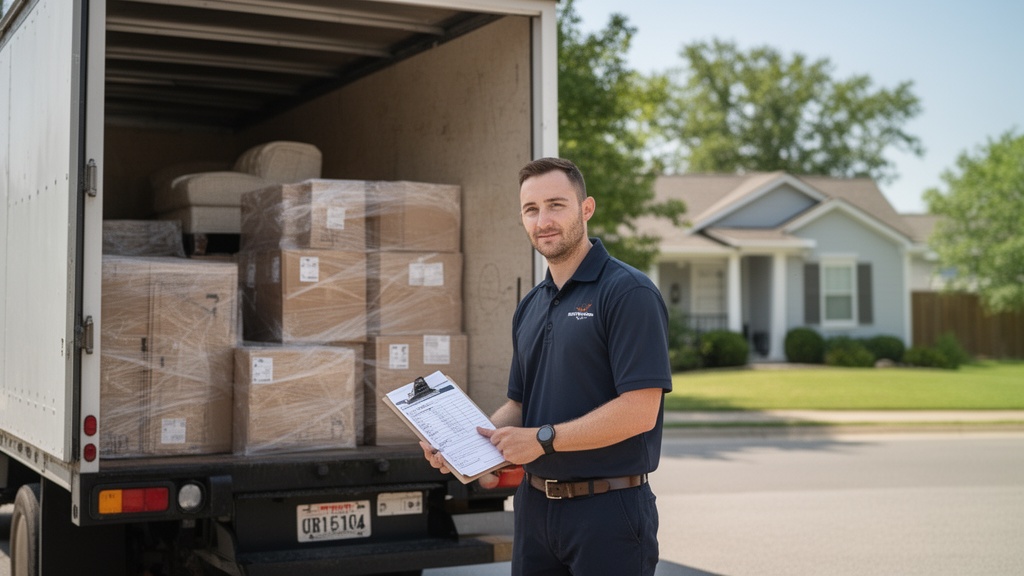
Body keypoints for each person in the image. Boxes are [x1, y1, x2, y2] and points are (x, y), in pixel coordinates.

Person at [422, 157, 672, 576]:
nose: (543, 221)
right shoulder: (530, 306)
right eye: (531, 210)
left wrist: (543, 439)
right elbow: (519, 405)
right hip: (535, 508)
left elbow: (640, 410)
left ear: (586, 208)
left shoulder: (628, 293)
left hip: (609, 512)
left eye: (556, 205)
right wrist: (464, 444)